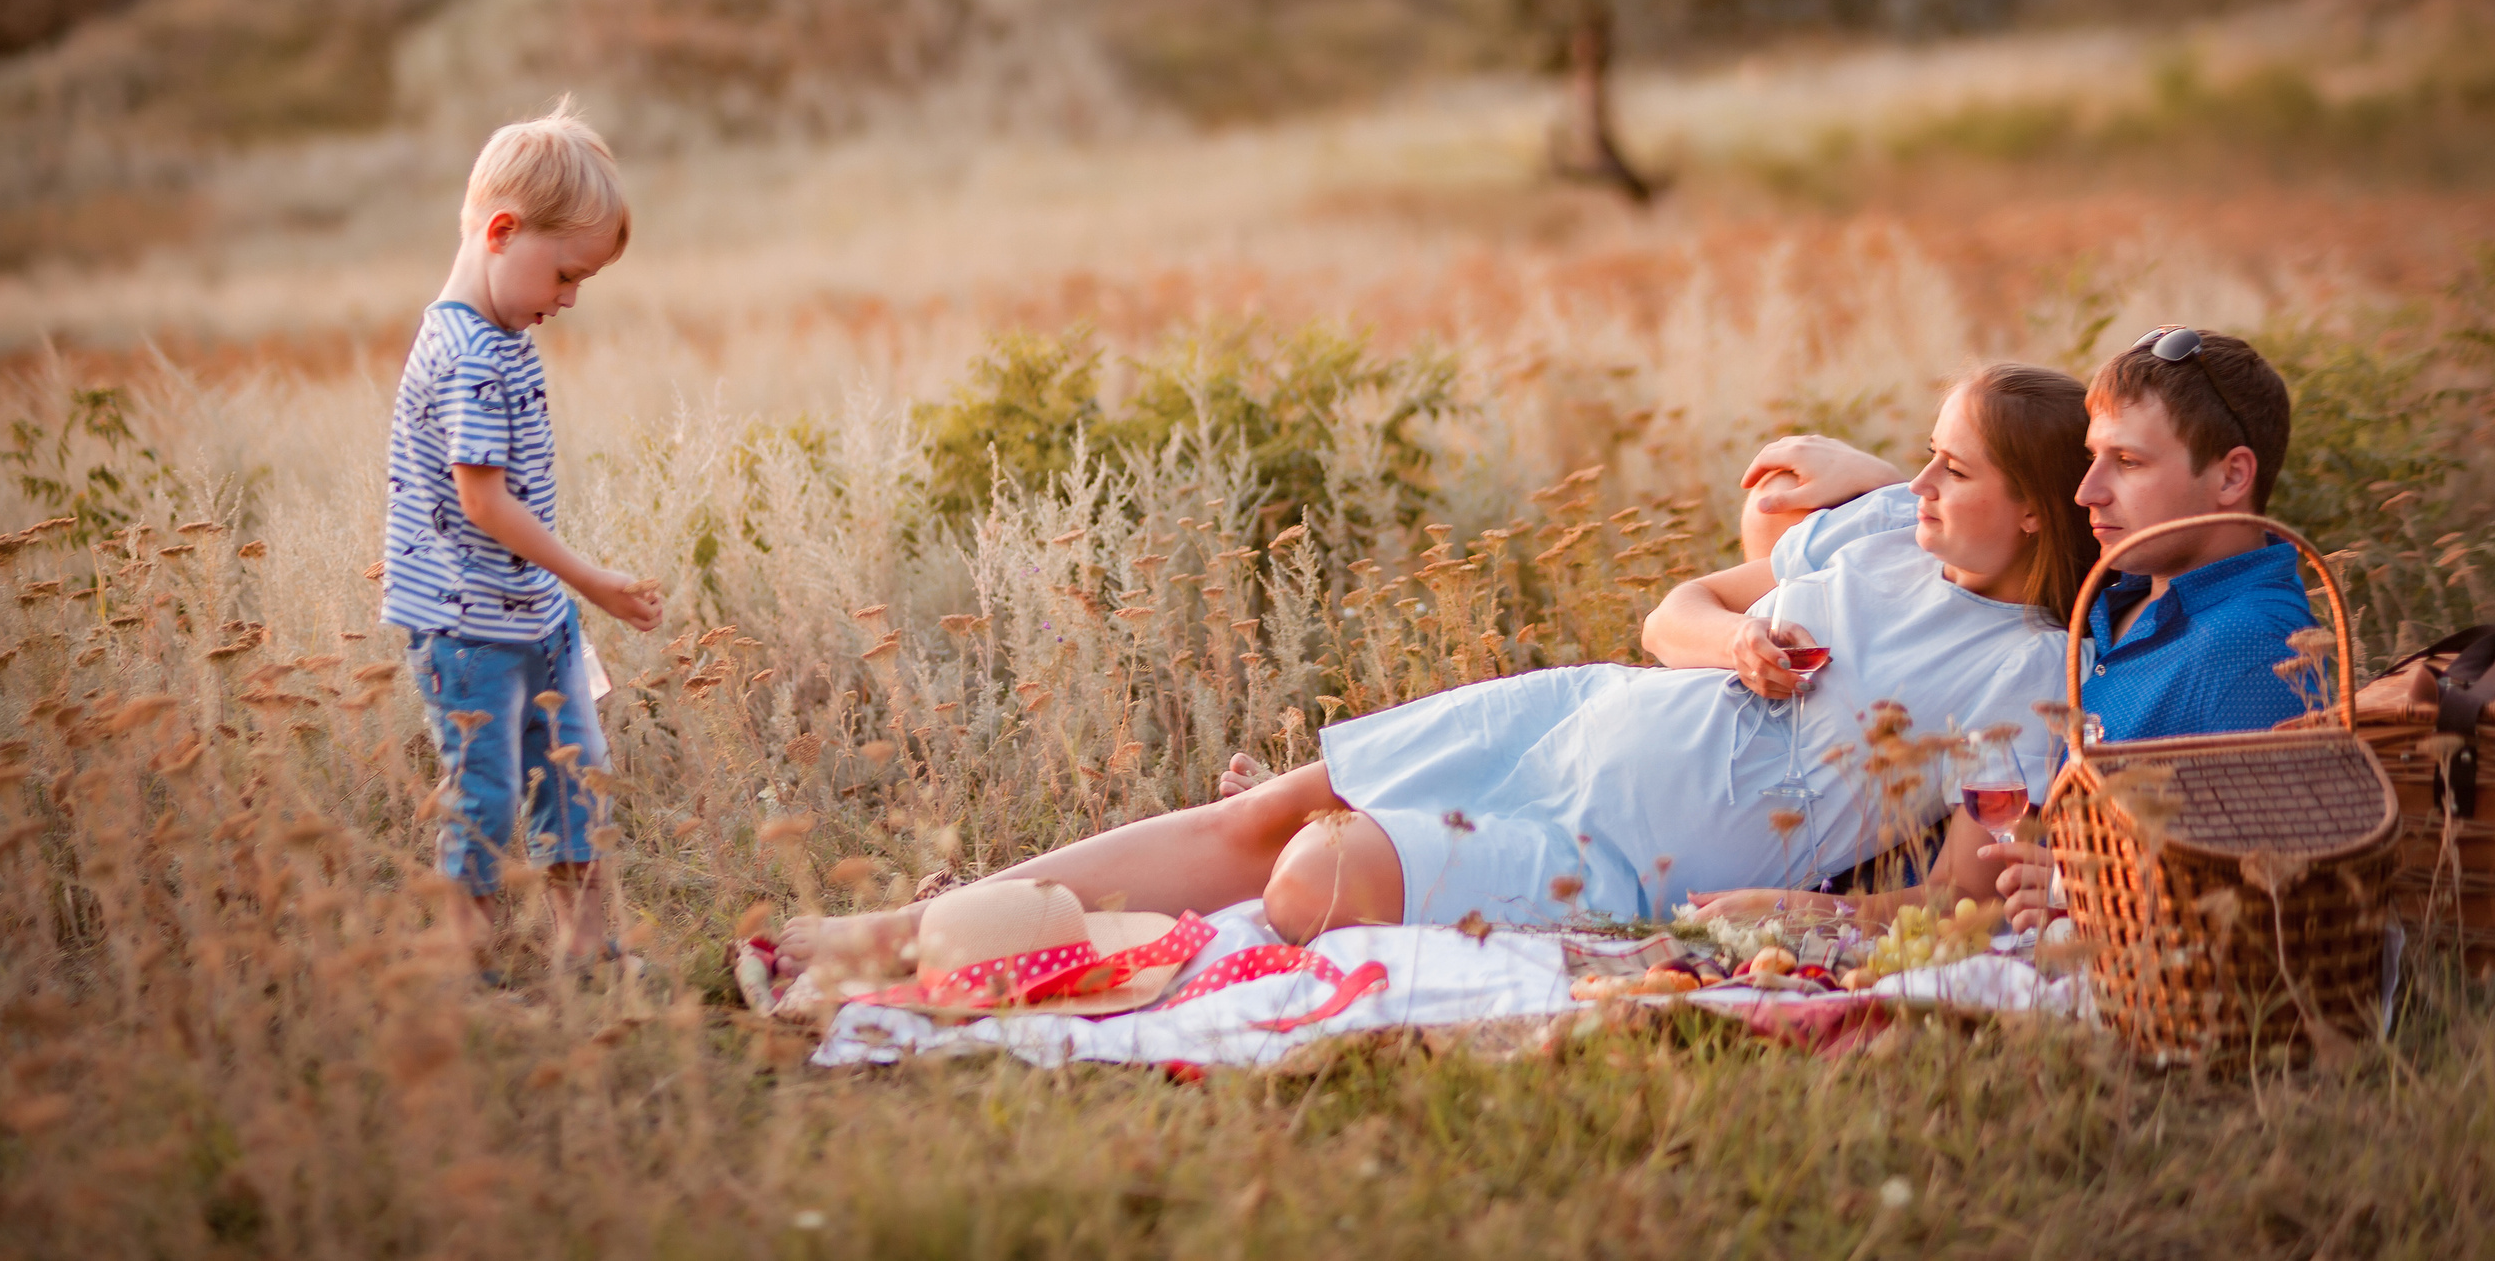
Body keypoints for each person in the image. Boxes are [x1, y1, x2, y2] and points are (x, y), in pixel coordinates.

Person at [767, 362, 2097, 989]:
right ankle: (885, 932)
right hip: (1582, 711)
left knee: (1312, 872)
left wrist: (1791, 923)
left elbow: (1968, 881)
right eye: (1920, 456)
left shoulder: (2027, 676)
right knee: (1262, 814)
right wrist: (1732, 643)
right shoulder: (1874, 532)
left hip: (1621, 857)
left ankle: (1018, 934)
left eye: (1952, 469)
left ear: (2034, 508)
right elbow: (1672, 610)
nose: (1915, 483)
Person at [1734, 325, 2312, 929]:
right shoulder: (2127, 580)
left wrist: (2077, 892)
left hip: (1936, 932)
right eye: (2093, 458)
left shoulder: (2253, 649)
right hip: (1862, 883)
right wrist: (1891, 484)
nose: (2087, 492)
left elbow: (2272, 891)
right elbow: (2011, 519)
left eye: (2129, 462)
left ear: (2230, 477)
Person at [382, 104, 665, 971]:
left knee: (578, 779)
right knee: (487, 791)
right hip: (469, 630)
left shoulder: (502, 336)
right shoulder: (467, 351)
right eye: (565, 275)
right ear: (502, 232)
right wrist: (596, 581)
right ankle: (462, 960)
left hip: (533, 618)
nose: (570, 299)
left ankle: (588, 953)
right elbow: (485, 505)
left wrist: (561, 601)